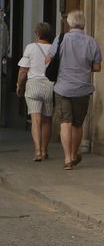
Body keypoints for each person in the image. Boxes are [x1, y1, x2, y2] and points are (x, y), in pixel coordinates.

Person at [52, 9, 102, 170]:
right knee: (77, 124)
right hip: (82, 89)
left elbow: (49, 59)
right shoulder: (91, 42)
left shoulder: (60, 39)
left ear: (69, 23)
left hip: (63, 88)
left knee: (65, 122)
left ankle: (67, 159)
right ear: (84, 24)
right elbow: (97, 67)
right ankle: (74, 154)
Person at [15, 21, 56, 161]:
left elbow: (23, 70)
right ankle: (44, 151)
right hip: (49, 86)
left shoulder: (31, 48)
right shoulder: (54, 49)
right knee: (47, 120)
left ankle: (37, 151)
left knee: (36, 120)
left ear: (37, 34)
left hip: (33, 85)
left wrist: (19, 85)